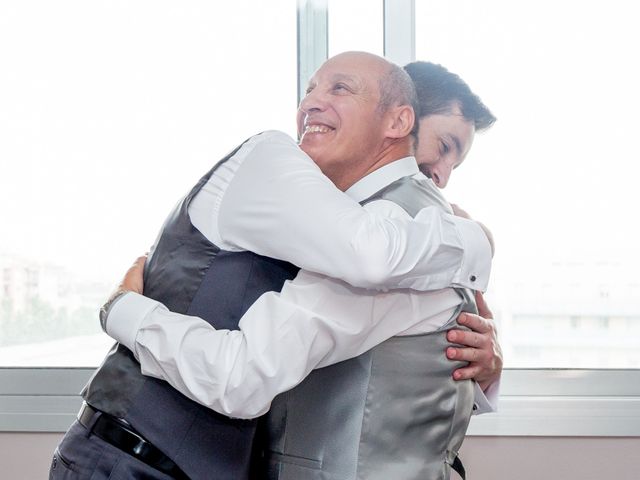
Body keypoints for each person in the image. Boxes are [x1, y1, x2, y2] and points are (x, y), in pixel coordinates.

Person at [50, 53, 494, 480]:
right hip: (129, 459)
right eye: (445, 145)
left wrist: (486, 370)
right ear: (403, 121)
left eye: (340, 88)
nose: (443, 174)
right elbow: (370, 256)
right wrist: (478, 239)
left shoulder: (400, 228)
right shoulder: (288, 175)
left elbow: (409, 368)